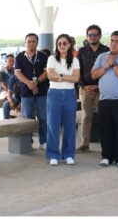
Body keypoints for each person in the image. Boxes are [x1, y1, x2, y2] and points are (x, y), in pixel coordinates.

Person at [92, 30, 118, 168]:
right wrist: (106, 65)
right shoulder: (102, 57)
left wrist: (114, 64)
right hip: (104, 100)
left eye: (117, 41)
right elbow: (93, 75)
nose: (113, 44)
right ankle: (106, 156)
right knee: (105, 130)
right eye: (112, 40)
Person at [45, 34, 80, 165]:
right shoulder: (51, 58)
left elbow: (76, 78)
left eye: (65, 43)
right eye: (59, 43)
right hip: (54, 93)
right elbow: (50, 76)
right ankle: (53, 154)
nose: (62, 46)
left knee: (70, 125)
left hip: (70, 93)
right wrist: (66, 76)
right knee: (53, 125)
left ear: (69, 44)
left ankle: (68, 154)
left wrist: (59, 75)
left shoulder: (75, 60)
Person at [76, 25, 109, 152]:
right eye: (90, 35)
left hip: (103, 88)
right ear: (87, 36)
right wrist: (84, 86)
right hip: (85, 88)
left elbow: (109, 70)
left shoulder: (106, 51)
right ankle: (85, 143)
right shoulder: (82, 51)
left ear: (100, 36)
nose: (92, 37)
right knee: (86, 116)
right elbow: (77, 70)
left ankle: (106, 142)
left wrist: (99, 86)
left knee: (104, 116)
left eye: (95, 34)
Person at [14, 33, 49, 149]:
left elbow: (47, 72)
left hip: (42, 91)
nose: (31, 43)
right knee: (27, 118)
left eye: (34, 41)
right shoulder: (19, 57)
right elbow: (17, 72)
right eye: (29, 41)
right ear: (25, 42)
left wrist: (36, 82)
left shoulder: (44, 56)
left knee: (43, 117)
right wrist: (29, 83)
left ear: (37, 43)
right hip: (26, 92)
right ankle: (28, 141)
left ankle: (43, 141)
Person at [0, 54, 19, 119]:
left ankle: (13, 116)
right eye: (10, 61)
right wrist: (10, 91)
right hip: (5, 91)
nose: (11, 62)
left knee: (14, 98)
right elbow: (3, 84)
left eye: (13, 61)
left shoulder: (15, 70)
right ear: (6, 61)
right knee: (10, 100)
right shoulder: (2, 71)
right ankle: (9, 119)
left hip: (14, 90)